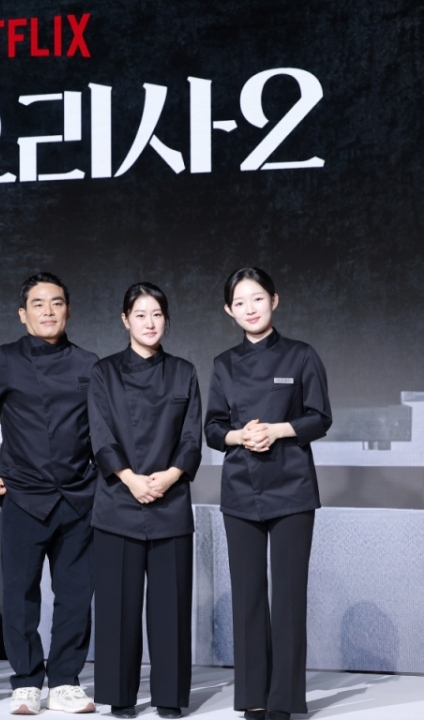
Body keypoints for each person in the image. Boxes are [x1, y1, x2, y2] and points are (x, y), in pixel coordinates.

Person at [0, 272, 98, 716]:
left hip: (78, 498)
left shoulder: (89, 363)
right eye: (38, 304)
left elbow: (103, 430)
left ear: (68, 310)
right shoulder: (6, 359)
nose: (48, 311)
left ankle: (66, 681)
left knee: (75, 596)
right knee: (20, 595)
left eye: (56, 303)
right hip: (24, 498)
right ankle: (27, 682)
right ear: (23, 314)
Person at [204, 268, 331, 720]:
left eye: (257, 298)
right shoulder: (223, 363)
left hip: (293, 488)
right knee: (248, 597)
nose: (250, 308)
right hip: (241, 490)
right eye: (240, 302)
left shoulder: (301, 355)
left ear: (274, 301)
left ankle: (284, 701)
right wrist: (240, 436)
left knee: (290, 598)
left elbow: (320, 417)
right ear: (229, 310)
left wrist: (277, 430)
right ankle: (253, 698)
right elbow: (212, 428)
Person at [87, 283, 202, 719]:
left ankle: (169, 696)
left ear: (166, 320)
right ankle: (119, 695)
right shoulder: (104, 372)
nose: (149, 322)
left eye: (156, 314)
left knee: (170, 607)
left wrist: (169, 477)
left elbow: (191, 438)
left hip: (171, 502)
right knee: (117, 606)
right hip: (118, 499)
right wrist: (130, 479)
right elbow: (100, 434)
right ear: (125, 320)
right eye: (140, 314)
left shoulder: (184, 372)